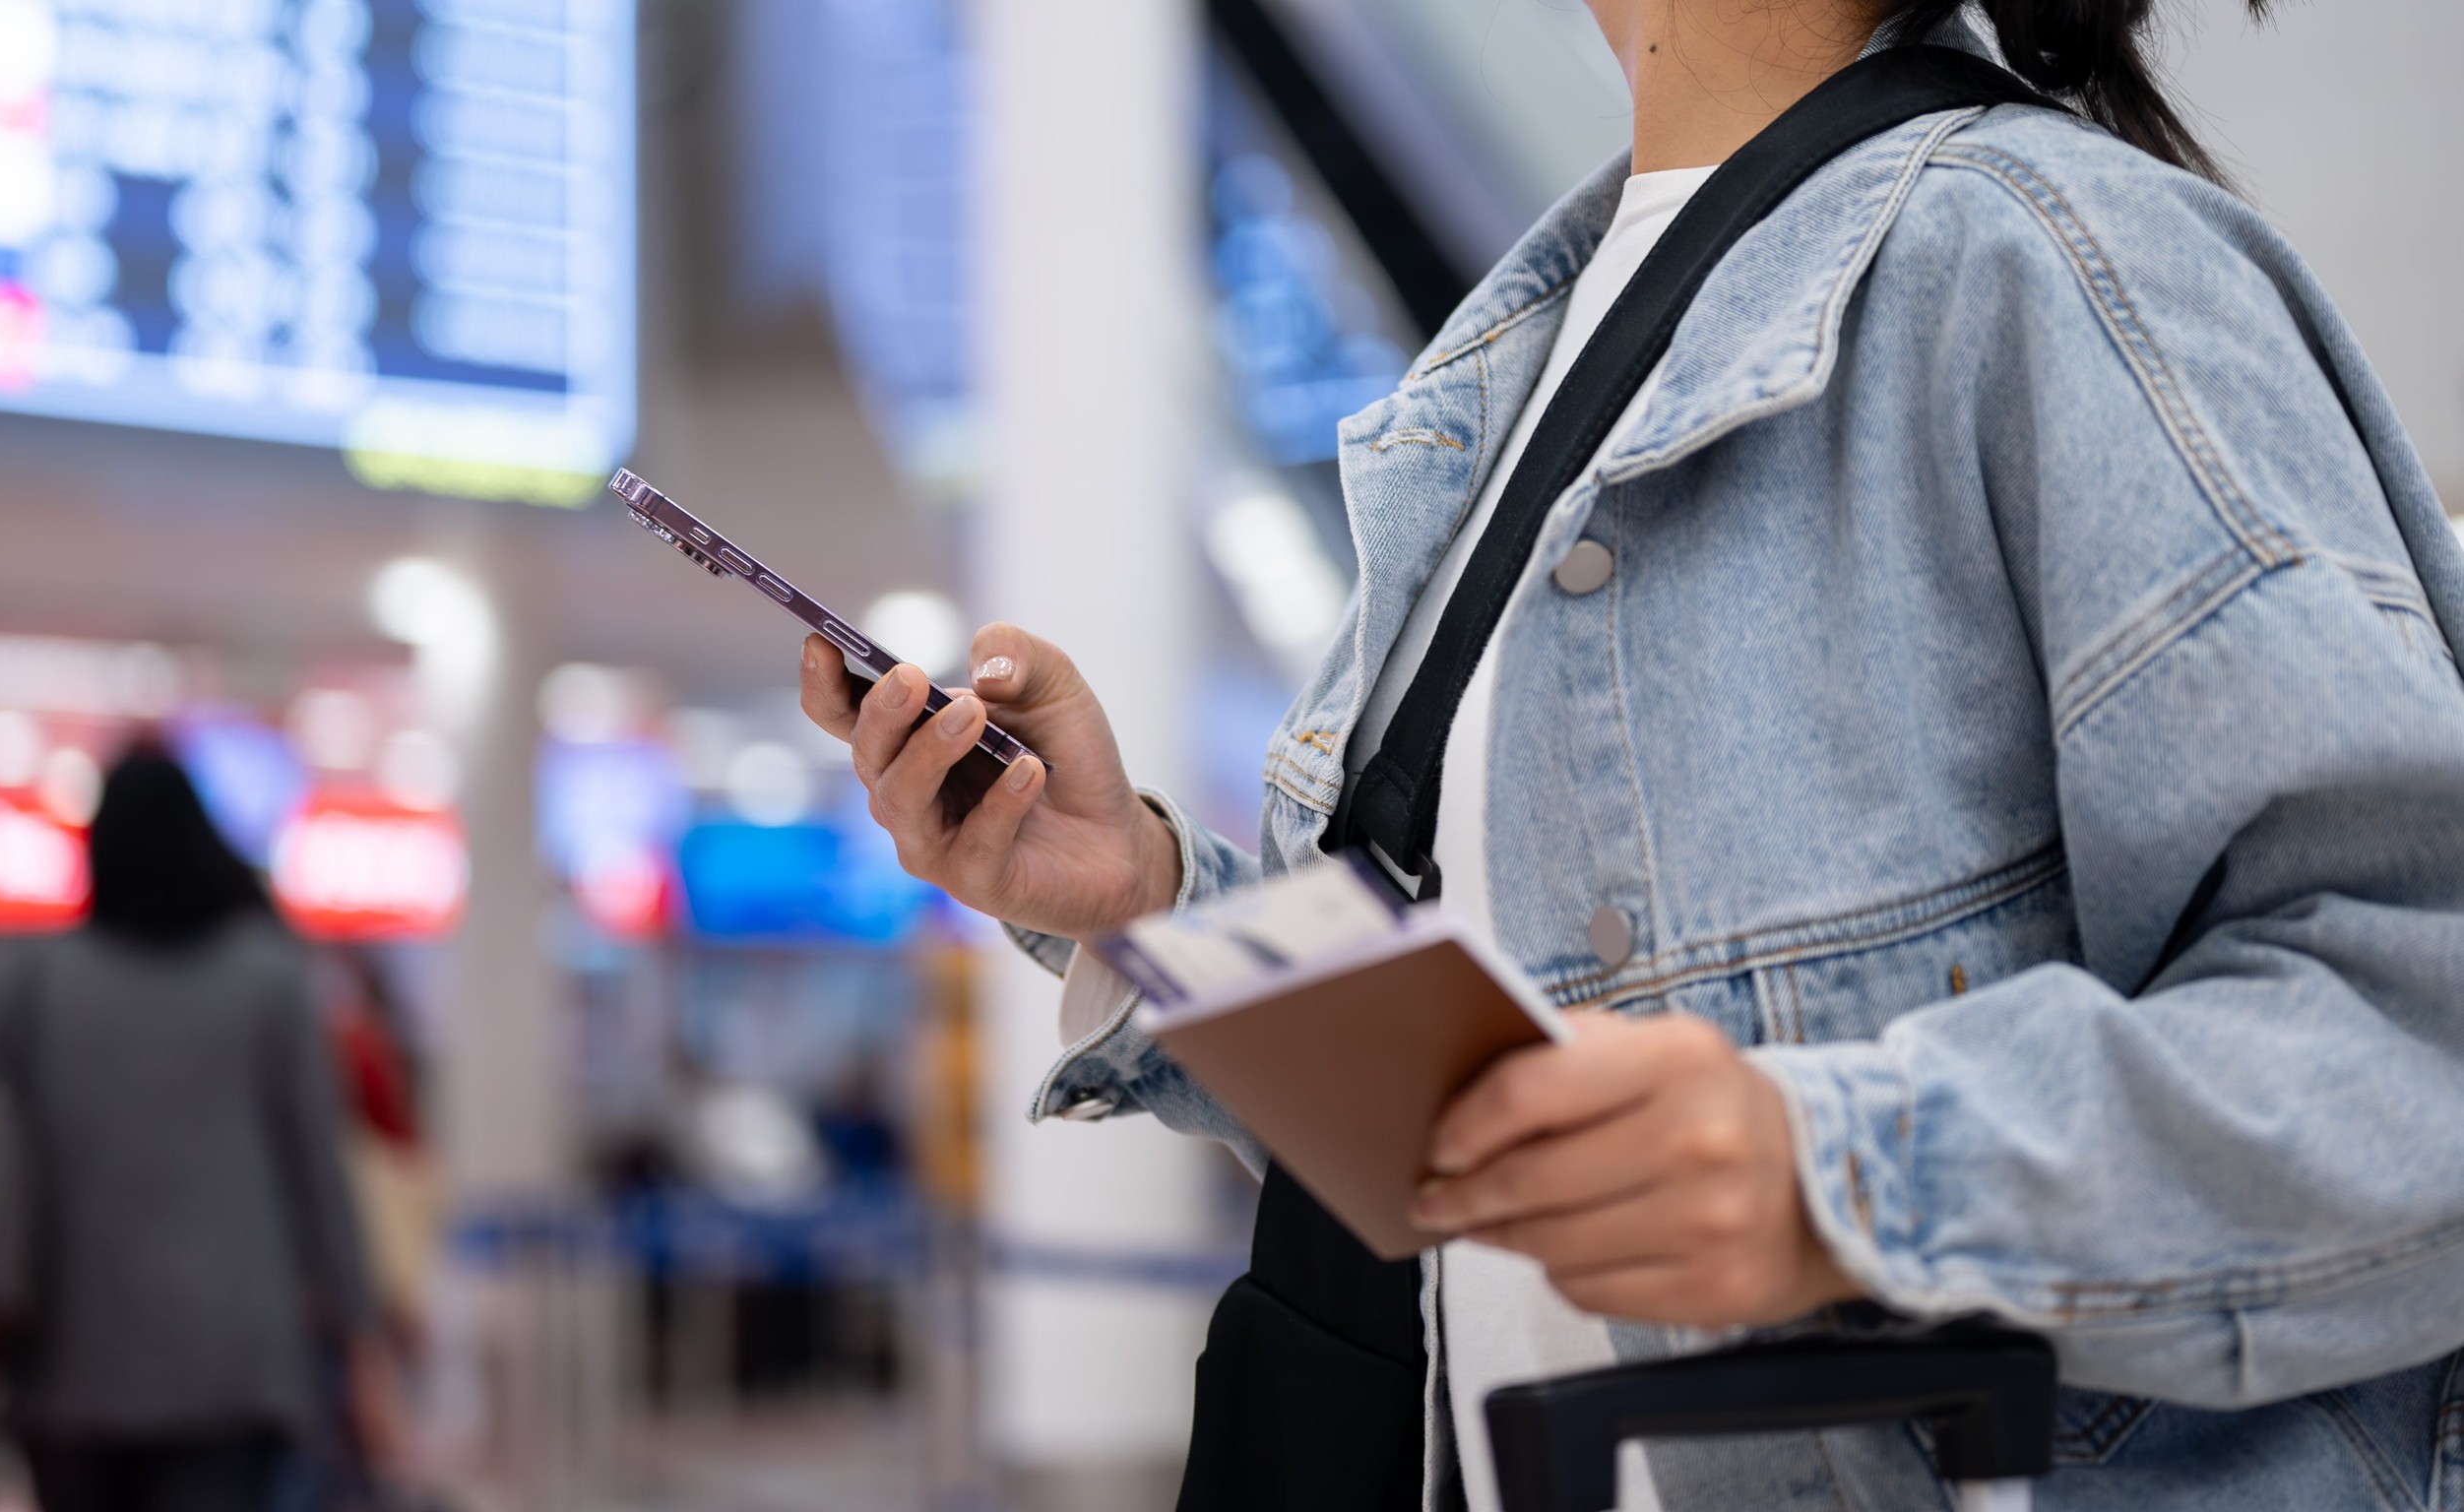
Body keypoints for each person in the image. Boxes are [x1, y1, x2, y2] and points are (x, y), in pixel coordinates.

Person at [800, 0, 2464, 1508]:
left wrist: (1837, 1171)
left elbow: (2418, 1044)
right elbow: (1501, 1122)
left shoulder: (2058, 267)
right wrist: (1144, 901)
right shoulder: (1535, 355)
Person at [0, 746, 393, 1512]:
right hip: (233, 1367)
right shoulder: (268, 983)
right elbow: (319, 1178)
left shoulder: (29, 979)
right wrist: (365, 1355)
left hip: (71, 1367)